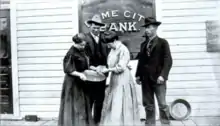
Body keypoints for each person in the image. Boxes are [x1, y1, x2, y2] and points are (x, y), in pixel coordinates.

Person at [135, 17, 173, 126]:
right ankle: (150, 124)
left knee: (162, 104)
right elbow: (141, 62)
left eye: (149, 27)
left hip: (158, 79)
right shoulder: (143, 45)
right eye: (146, 28)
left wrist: (163, 76)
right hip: (145, 79)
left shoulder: (163, 43)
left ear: (155, 28)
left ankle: (165, 123)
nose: (147, 30)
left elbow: (168, 60)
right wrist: (138, 75)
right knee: (148, 104)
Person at [99, 31, 140, 126]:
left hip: (122, 78)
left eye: (109, 43)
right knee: (114, 101)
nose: (108, 46)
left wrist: (108, 70)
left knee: (120, 100)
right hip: (115, 77)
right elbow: (111, 63)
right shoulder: (113, 49)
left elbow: (121, 67)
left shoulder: (123, 50)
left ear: (114, 40)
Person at [58, 33, 94, 126]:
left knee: (82, 104)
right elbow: (67, 69)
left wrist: (92, 69)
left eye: (84, 44)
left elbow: (85, 63)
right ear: (76, 43)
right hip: (72, 82)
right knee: (75, 105)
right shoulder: (71, 53)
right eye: (81, 45)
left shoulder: (82, 50)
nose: (83, 46)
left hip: (81, 81)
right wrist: (79, 74)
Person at [84, 14, 109, 125]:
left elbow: (108, 54)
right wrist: (94, 67)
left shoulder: (103, 38)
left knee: (100, 99)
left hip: (102, 74)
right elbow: (84, 57)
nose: (96, 29)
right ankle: (88, 121)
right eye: (94, 27)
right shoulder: (85, 39)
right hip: (90, 73)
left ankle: (97, 121)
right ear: (90, 27)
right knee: (89, 99)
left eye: (98, 27)